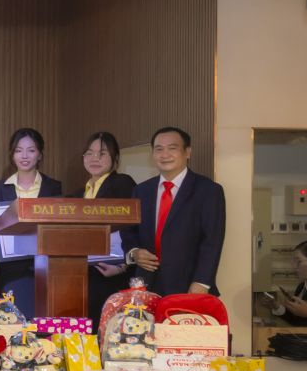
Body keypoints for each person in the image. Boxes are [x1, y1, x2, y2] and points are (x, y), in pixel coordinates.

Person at [122, 126, 226, 296]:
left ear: (188, 152)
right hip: (145, 285)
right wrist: (134, 252)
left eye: (172, 148)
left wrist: (201, 282)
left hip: (189, 286)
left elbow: (212, 240)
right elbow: (129, 231)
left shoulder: (208, 190)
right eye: (159, 149)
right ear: (152, 154)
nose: (165, 154)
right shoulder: (141, 190)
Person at [0, 127, 63, 317]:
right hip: (11, 268)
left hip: (45, 266)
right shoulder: (1, 188)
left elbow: (58, 228)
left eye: (31, 150)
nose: (24, 156)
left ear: (40, 154)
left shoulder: (53, 186)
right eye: (18, 150)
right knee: (13, 320)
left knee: (44, 319)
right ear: (12, 154)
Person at [78, 131, 138, 324]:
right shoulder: (79, 193)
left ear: (115, 158)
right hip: (84, 275)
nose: (94, 158)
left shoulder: (122, 183)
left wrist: (123, 266)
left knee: (108, 330)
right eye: (89, 153)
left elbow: (133, 227)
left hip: (111, 274)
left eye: (102, 153)